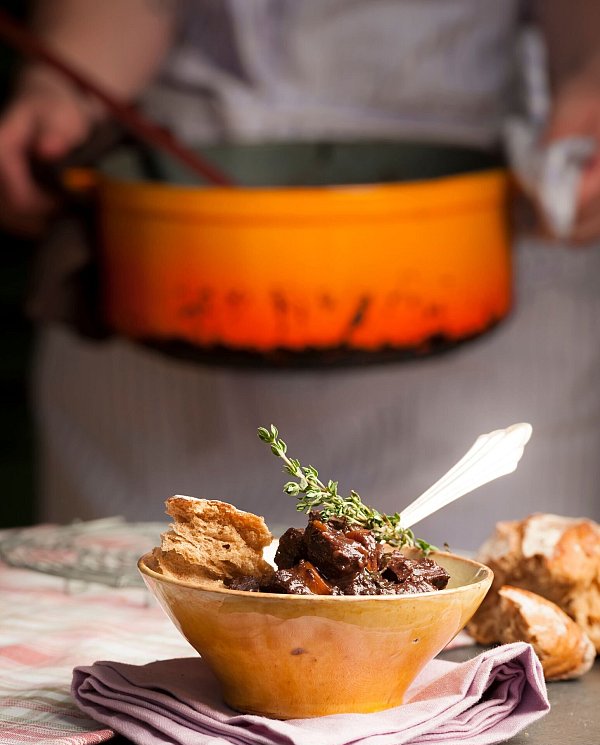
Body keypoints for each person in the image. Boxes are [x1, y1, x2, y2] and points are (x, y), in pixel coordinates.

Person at [1, 0, 600, 550]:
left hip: (470, 255)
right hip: (167, 256)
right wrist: (66, 86)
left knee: (472, 640)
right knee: (123, 635)